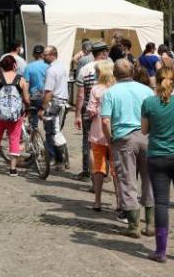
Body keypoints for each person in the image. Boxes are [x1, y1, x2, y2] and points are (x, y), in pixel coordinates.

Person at [141, 65, 174, 263]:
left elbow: (145, 130)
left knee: (161, 203)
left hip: (157, 157)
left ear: (157, 80)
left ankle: (161, 251)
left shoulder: (149, 102)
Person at [100, 59, 155, 238]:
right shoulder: (147, 90)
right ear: (132, 72)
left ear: (115, 74)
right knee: (150, 179)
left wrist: (110, 139)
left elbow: (106, 121)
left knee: (127, 179)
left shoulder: (110, 93)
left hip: (123, 139)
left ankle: (133, 225)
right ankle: (151, 223)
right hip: (147, 137)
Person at [75, 41, 112, 182]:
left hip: (89, 110)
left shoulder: (84, 69)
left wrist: (77, 114)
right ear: (103, 53)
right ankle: (106, 173)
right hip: (109, 110)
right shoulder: (111, 67)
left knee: (89, 143)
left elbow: (80, 95)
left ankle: (91, 174)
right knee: (109, 141)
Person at [87, 60, 121, 213]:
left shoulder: (96, 89)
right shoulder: (117, 88)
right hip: (115, 132)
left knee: (98, 167)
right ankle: (120, 201)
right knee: (116, 169)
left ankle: (97, 201)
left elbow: (91, 111)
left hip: (98, 132)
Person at [41, 46, 70, 170]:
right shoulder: (61, 67)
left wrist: (42, 108)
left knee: (53, 132)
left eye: (45, 54)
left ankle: (61, 160)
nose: (43, 56)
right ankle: (61, 160)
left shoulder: (52, 70)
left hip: (55, 103)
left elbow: (48, 92)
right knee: (56, 131)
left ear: (52, 55)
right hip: (62, 102)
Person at [23, 45, 49, 128]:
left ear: (33, 54)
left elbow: (26, 85)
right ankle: (49, 140)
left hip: (34, 97)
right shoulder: (49, 66)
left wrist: (25, 98)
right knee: (48, 123)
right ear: (43, 54)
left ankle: (33, 137)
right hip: (47, 96)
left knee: (33, 123)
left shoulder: (28, 67)